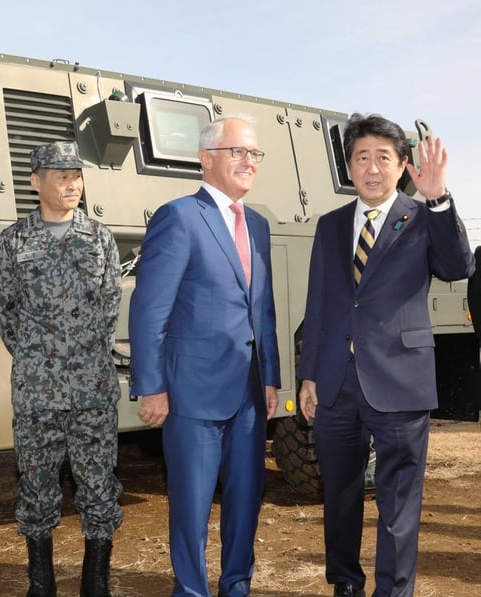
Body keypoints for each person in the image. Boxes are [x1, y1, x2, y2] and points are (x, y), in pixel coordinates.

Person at [297, 113, 475, 597]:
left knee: (398, 500)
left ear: (401, 166)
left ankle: (393, 591)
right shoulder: (330, 225)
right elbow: (318, 303)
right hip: (335, 382)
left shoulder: (423, 217)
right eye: (361, 157)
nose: (371, 168)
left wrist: (438, 199)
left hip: (400, 379)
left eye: (383, 158)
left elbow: (458, 266)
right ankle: (345, 583)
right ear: (348, 167)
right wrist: (309, 375)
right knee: (339, 494)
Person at [128, 115, 281, 597]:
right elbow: (150, 309)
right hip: (192, 395)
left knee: (246, 503)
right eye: (237, 151)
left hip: (250, 394)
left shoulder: (258, 225)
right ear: (205, 159)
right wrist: (152, 386)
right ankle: (191, 591)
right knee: (191, 509)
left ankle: (237, 586)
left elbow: (263, 309)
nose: (248, 161)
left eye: (254, 153)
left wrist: (271, 377)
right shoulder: (178, 217)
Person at [0, 141, 123, 597]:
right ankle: (40, 584)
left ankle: (95, 583)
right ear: (36, 181)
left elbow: (109, 306)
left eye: (77, 175)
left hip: (92, 388)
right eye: (62, 176)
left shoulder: (99, 238)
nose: (72, 184)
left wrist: (85, 354)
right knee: (36, 484)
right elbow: (2, 306)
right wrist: (34, 354)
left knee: (99, 485)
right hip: (37, 392)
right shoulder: (14, 241)